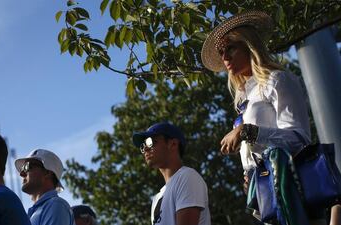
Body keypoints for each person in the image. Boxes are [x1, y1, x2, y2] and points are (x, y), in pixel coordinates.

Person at [201, 11, 326, 224]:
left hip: (293, 193)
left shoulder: (278, 80)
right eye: (221, 52)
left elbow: (300, 139)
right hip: (266, 196)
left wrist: (246, 131)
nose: (225, 58)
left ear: (249, 45)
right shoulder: (244, 96)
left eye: (230, 48)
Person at [132, 122, 211, 225]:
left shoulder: (187, 177)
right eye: (143, 145)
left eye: (150, 142)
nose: (146, 148)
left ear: (173, 144)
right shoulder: (157, 198)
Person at [15, 149, 73, 225]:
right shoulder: (41, 210)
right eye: (22, 168)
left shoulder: (56, 205)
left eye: (27, 167)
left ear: (47, 173)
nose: (22, 174)